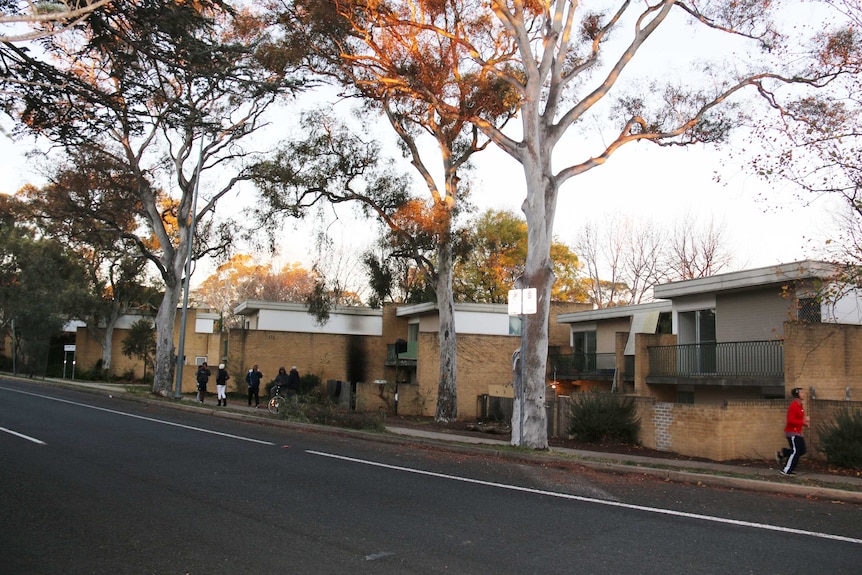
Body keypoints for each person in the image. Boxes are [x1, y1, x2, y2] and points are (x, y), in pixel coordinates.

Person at [776, 387, 810, 476]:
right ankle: (786, 470)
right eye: (802, 393)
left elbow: (799, 420)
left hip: (798, 432)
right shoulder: (793, 406)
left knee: (802, 450)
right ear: (797, 395)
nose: (804, 394)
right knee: (795, 451)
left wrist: (805, 423)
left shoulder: (800, 406)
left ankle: (782, 453)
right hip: (792, 432)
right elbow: (790, 421)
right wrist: (803, 422)